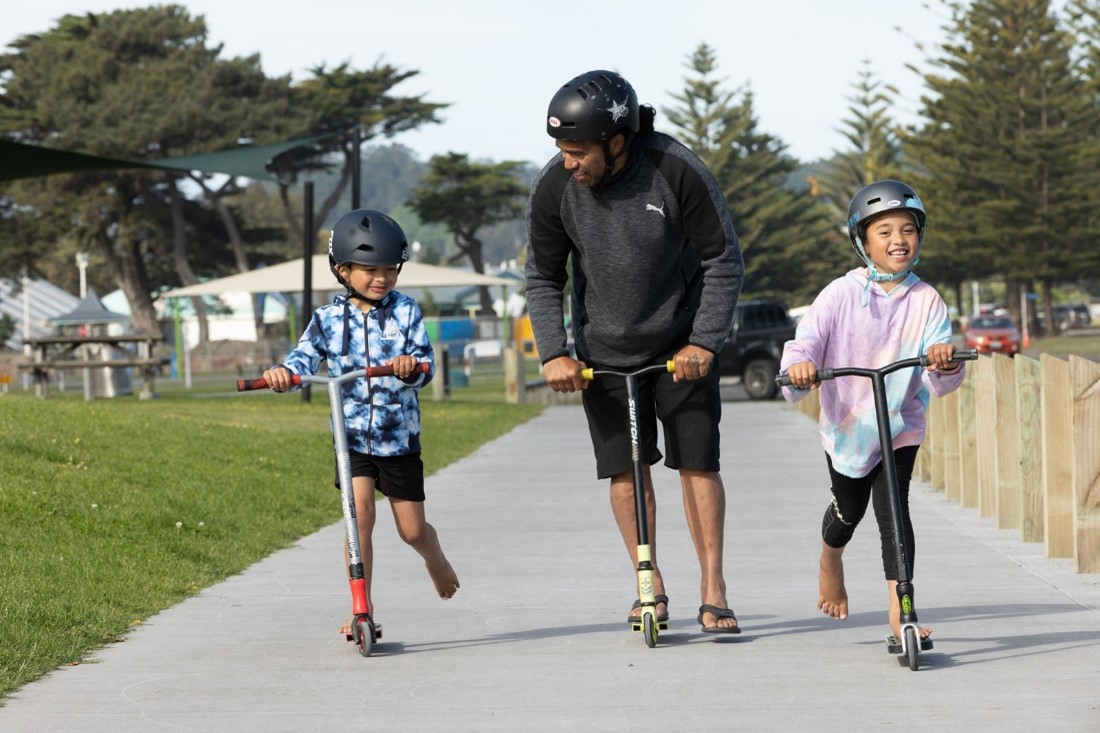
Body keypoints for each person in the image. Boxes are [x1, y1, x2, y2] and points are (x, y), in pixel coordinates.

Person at [524, 70, 745, 633]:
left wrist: (704, 341)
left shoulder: (676, 169)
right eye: (561, 150)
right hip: (602, 351)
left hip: (681, 344)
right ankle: (650, 585)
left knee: (697, 462)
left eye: (578, 151)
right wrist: (554, 351)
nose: (568, 163)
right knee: (626, 469)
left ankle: (713, 586)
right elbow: (544, 277)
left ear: (617, 141)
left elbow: (723, 260)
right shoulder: (555, 188)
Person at [779, 179, 965, 644]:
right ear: (862, 241)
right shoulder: (839, 294)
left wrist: (944, 358)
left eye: (907, 229)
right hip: (848, 425)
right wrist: (800, 366)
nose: (898, 240)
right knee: (849, 510)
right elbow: (805, 342)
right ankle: (830, 558)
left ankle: (901, 610)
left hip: (900, 421)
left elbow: (942, 368)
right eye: (884, 231)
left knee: (894, 511)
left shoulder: (927, 300)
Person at [263, 208, 459, 635]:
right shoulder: (327, 320)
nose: (381, 278)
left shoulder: (405, 312)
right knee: (360, 517)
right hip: (351, 440)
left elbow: (425, 365)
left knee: (411, 530)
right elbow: (303, 361)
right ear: (342, 270)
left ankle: (435, 557)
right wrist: (284, 375)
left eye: (390, 269)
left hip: (398, 441)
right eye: (370, 269)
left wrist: (411, 366)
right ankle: (361, 609)